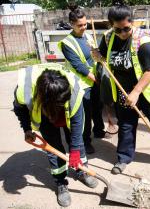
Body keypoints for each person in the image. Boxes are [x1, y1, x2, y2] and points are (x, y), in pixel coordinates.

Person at [92, 0, 150, 175]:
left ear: (132, 23)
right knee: (126, 124)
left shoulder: (143, 40)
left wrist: (136, 92)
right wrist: (96, 55)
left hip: (147, 90)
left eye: (126, 28)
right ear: (111, 26)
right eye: (117, 29)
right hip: (123, 91)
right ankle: (124, 158)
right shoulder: (108, 37)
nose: (122, 33)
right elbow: (102, 57)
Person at [13, 63, 98, 207]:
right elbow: (19, 109)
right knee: (53, 147)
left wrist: (75, 151)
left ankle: (81, 170)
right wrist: (27, 129)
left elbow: (77, 126)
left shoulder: (74, 92)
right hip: (44, 110)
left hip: (65, 107)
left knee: (76, 141)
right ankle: (60, 182)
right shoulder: (24, 91)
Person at [58, 4, 108, 154]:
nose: (84, 27)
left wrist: (98, 56)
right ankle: (86, 141)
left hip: (93, 79)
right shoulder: (67, 43)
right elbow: (78, 65)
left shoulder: (87, 36)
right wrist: (94, 78)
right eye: (80, 25)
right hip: (80, 83)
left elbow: (93, 56)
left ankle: (99, 130)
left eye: (85, 24)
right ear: (72, 24)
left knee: (97, 107)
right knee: (85, 113)